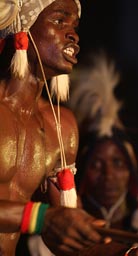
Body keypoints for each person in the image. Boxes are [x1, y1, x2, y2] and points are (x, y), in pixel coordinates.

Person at [0, 1, 114, 255]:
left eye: (74, 25)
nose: (73, 34)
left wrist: (129, 252)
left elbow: (69, 235)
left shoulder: (61, 127)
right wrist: (42, 217)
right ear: (24, 26)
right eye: (59, 21)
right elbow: (48, 219)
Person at [67, 50, 138, 255]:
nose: (109, 175)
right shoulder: (52, 241)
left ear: (132, 171)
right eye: (96, 164)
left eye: (118, 163)